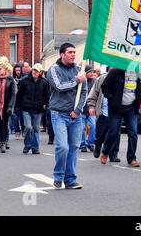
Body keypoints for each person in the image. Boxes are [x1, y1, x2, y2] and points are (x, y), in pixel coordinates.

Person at [46, 42, 87, 189]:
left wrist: (78, 110)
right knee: (63, 147)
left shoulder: (79, 70)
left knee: (74, 147)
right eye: (70, 52)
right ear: (62, 54)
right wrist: (76, 80)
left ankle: (70, 179)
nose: (73, 55)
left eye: (74, 52)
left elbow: (84, 92)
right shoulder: (54, 70)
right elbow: (59, 87)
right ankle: (58, 176)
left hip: (75, 116)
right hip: (59, 114)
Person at [100, 68, 141, 167]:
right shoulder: (116, 72)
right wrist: (112, 98)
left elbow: (139, 89)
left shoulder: (138, 73)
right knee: (113, 132)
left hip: (131, 107)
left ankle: (131, 159)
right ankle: (105, 152)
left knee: (133, 133)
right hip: (116, 107)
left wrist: (138, 102)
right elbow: (105, 87)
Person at [86, 67, 120, 160]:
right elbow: (94, 93)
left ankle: (113, 155)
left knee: (115, 134)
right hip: (103, 112)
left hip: (115, 112)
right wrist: (92, 106)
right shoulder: (101, 79)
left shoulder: (121, 78)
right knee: (101, 134)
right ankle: (97, 146)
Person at [16, 63, 49, 154]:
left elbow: (47, 95)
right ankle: (27, 145)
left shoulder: (44, 82)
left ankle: (35, 147)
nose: (34, 72)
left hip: (38, 109)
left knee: (36, 128)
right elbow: (19, 94)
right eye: (34, 70)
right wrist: (17, 107)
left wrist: (46, 104)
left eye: (37, 71)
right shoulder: (25, 80)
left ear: (40, 72)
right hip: (26, 108)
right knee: (28, 127)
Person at [0, 57, 17, 153]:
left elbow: (13, 94)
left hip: (7, 105)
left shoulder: (10, 79)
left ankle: (5, 141)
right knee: (0, 123)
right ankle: (2, 142)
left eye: (0, 69)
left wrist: (10, 106)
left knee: (5, 123)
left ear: (5, 69)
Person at [80, 65, 96, 153]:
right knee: (82, 127)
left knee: (93, 125)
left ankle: (90, 143)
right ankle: (82, 144)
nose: (91, 74)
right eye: (89, 72)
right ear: (85, 73)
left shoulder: (94, 81)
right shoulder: (81, 81)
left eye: (92, 72)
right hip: (82, 109)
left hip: (91, 108)